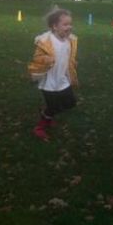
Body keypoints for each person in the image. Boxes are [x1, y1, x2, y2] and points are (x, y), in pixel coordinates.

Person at [27, 8, 78, 141]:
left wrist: (72, 64)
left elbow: (69, 56)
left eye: (70, 24)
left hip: (62, 79)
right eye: (65, 24)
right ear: (55, 26)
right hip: (49, 81)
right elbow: (37, 58)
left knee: (70, 103)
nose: (69, 27)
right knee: (53, 106)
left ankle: (47, 115)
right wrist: (46, 60)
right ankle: (40, 127)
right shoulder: (45, 42)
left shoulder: (69, 41)